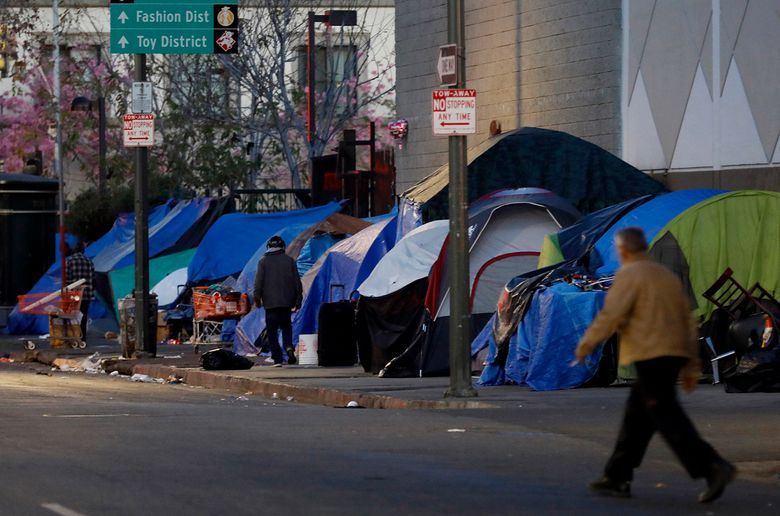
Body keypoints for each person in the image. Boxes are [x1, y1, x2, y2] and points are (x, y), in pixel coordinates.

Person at [575, 227, 735, 504]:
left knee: (665, 414)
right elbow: (687, 318)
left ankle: (711, 466)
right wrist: (691, 363)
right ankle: (617, 475)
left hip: (651, 354)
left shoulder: (629, 274)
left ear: (623, 250)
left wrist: (585, 345)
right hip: (673, 353)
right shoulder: (666, 276)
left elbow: (611, 314)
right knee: (637, 415)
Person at [253, 236, 302, 367]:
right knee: (286, 327)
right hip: (287, 303)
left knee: (272, 331)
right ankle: (289, 347)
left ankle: (277, 358)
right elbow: (297, 282)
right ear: (283, 247)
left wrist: (257, 298)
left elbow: (258, 283)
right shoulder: (290, 261)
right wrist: (298, 300)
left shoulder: (263, 262)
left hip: (270, 304)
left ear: (268, 247)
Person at [65, 242, 95, 345]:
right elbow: (93, 278)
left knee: (72, 317)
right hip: (86, 294)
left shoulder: (69, 261)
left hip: (73, 294)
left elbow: (66, 279)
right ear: (83, 251)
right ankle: (83, 339)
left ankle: (74, 338)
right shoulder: (89, 261)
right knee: (83, 317)